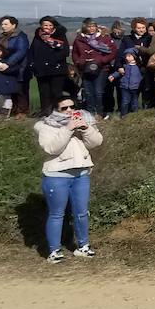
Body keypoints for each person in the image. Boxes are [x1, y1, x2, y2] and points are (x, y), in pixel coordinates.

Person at [35, 95, 102, 263]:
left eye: (72, 106)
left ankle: (83, 247)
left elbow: (96, 142)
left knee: (81, 213)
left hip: (80, 174)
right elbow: (52, 149)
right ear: (55, 110)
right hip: (57, 176)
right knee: (57, 214)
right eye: (64, 108)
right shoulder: (46, 126)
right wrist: (68, 129)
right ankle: (54, 251)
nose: (70, 111)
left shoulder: (82, 120)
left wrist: (86, 128)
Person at [71, 19, 115, 118]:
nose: (91, 28)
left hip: (101, 69)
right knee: (88, 92)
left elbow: (112, 52)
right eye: (89, 26)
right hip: (85, 68)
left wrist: (102, 60)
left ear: (96, 27)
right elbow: (74, 53)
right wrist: (79, 62)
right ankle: (90, 113)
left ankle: (99, 113)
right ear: (84, 27)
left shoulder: (104, 38)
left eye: (93, 26)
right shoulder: (79, 39)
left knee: (98, 91)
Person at [27, 17, 70, 115]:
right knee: (44, 93)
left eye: (50, 25)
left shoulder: (60, 35)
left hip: (56, 69)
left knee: (56, 93)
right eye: (45, 25)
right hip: (41, 69)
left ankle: (58, 113)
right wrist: (32, 64)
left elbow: (65, 52)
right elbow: (32, 51)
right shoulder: (38, 36)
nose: (47, 27)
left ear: (54, 26)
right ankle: (46, 113)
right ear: (41, 26)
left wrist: (51, 61)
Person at [0, 16, 31, 118]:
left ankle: (22, 112)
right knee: (10, 90)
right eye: (2, 24)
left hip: (20, 68)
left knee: (20, 91)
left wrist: (8, 63)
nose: (3, 26)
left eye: (6, 24)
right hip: (5, 68)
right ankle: (12, 110)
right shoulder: (1, 37)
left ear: (13, 25)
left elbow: (21, 52)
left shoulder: (20, 36)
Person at [109, 50, 144, 117]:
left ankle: (135, 115)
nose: (127, 58)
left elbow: (142, 76)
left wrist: (141, 83)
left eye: (129, 56)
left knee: (135, 102)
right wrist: (113, 76)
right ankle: (123, 115)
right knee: (125, 101)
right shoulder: (125, 66)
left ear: (134, 57)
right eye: (126, 56)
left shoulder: (139, 67)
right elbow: (119, 72)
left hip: (135, 87)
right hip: (125, 87)